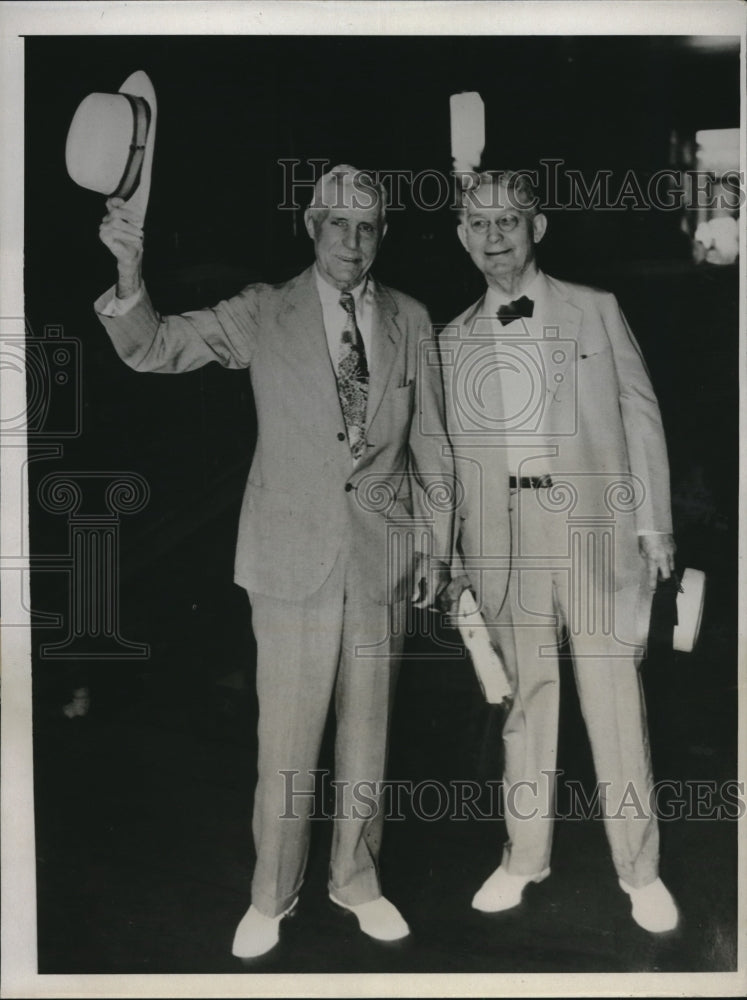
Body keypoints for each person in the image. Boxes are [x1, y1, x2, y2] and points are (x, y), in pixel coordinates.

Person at [95, 164, 454, 957]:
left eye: (367, 227)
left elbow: (431, 441)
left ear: (382, 234)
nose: (351, 242)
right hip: (291, 559)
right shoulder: (265, 312)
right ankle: (272, 895)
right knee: (286, 741)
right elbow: (154, 347)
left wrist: (436, 541)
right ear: (312, 227)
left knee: (368, 735)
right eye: (337, 224)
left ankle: (356, 881)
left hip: (383, 558)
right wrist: (129, 276)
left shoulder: (411, 319)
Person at [441, 170, 679, 933]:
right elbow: (444, 465)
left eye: (508, 219)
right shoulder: (449, 341)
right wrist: (452, 562)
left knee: (612, 699)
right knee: (525, 705)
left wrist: (654, 523)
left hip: (593, 529)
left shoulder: (595, 310)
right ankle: (522, 858)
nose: (494, 235)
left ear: (536, 227)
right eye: (477, 224)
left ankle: (638, 871)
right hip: (501, 541)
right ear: (461, 238)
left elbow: (639, 415)